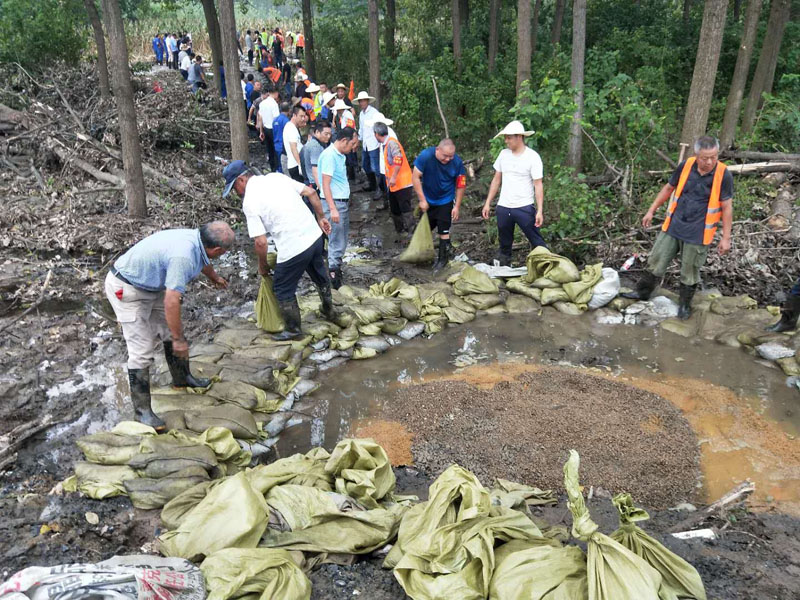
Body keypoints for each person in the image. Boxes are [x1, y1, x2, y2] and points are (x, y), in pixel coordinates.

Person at [104, 223, 233, 429]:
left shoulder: (197, 241)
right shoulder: (183, 256)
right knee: (141, 350)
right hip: (127, 289)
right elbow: (172, 301)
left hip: (151, 286)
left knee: (169, 331)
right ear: (217, 249)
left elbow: (203, 261)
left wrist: (214, 277)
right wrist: (179, 340)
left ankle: (182, 378)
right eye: (224, 251)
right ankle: (142, 412)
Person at [622, 135, 733, 320]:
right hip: (674, 224)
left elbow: (727, 207)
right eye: (705, 158)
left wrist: (726, 238)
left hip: (698, 232)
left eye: (714, 157)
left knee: (689, 271)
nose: (709, 162)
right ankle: (642, 293)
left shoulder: (723, 174)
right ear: (696, 155)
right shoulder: (686, 166)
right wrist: (651, 210)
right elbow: (668, 188)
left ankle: (684, 305)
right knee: (656, 260)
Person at [222, 161, 334, 339]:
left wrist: (263, 266)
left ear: (241, 180)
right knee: (319, 275)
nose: (236, 192)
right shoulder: (276, 177)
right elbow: (311, 192)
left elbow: (261, 242)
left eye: (234, 187)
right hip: (314, 236)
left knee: (281, 287)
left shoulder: (250, 201)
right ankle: (329, 310)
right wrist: (321, 218)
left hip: (294, 247)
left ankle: (293, 329)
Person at [481, 120, 547, 266]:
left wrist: (539, 211)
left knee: (536, 241)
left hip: (524, 206)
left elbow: (538, 185)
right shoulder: (503, 154)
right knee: (504, 244)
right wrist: (487, 203)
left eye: (509, 138)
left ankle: (547, 265)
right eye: (505, 137)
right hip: (504, 206)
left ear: (519, 137)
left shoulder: (532, 157)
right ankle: (505, 267)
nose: (506, 141)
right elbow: (496, 180)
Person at [412, 139, 467, 270]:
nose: (448, 159)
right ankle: (423, 256)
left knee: (444, 230)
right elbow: (415, 177)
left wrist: (457, 207)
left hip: (446, 200)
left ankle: (443, 260)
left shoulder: (457, 162)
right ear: (437, 150)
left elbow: (461, 185)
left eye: (450, 156)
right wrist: (422, 200)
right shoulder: (426, 156)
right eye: (445, 156)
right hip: (428, 200)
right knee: (424, 229)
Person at [318, 127, 359, 289]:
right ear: (343, 141)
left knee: (340, 239)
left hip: (340, 202)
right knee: (336, 240)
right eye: (352, 144)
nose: (353, 148)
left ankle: (335, 269)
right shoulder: (330, 156)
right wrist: (332, 208)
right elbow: (325, 184)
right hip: (334, 203)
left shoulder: (339, 155)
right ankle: (334, 276)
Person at [373, 118, 416, 236]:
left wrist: (393, 177)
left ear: (377, 134)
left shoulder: (391, 143)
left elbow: (398, 159)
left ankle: (412, 231)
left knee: (405, 208)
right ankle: (400, 230)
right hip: (394, 184)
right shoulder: (385, 144)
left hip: (402, 183)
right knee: (394, 208)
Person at [356, 91, 382, 198]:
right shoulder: (361, 114)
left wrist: (380, 143)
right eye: (360, 101)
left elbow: (379, 128)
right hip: (366, 144)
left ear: (367, 101)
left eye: (363, 101)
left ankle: (380, 189)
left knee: (376, 168)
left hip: (374, 144)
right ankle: (373, 185)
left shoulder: (374, 113)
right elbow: (361, 129)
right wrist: (358, 140)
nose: (362, 103)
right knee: (366, 165)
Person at [301, 119, 332, 190]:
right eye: (326, 134)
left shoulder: (316, 143)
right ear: (317, 132)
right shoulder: (315, 146)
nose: (328, 136)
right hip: (316, 183)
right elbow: (315, 170)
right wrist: (323, 190)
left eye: (330, 134)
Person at [257, 86, 281, 172]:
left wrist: (261, 131)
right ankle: (278, 168)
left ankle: (272, 168)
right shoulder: (274, 104)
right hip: (273, 129)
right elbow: (276, 119)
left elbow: (260, 118)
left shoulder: (262, 103)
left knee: (269, 150)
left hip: (265, 128)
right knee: (276, 150)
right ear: (276, 93)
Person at [283, 105, 308, 183]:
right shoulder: (291, 128)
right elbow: (293, 147)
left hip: (295, 164)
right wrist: (300, 165)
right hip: (295, 165)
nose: (303, 119)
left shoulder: (292, 127)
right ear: (294, 115)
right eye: (301, 116)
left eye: (304, 116)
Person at [273, 102, 291, 174]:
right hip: (283, 146)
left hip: (276, 145)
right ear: (289, 110)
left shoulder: (275, 120)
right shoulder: (286, 121)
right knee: (284, 166)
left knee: (278, 164)